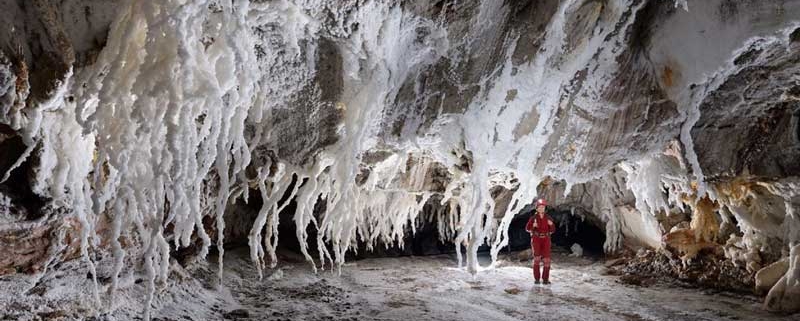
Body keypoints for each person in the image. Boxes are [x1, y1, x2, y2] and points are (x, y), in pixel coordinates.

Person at [525, 198, 555, 284]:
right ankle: (537, 279)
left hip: (546, 239)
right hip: (536, 239)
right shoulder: (533, 218)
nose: (541, 208)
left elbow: (553, 230)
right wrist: (532, 226)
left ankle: (545, 279)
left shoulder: (548, 218)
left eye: (543, 207)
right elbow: (527, 229)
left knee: (547, 260)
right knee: (537, 259)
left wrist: (551, 224)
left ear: (545, 208)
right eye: (540, 207)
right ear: (537, 208)